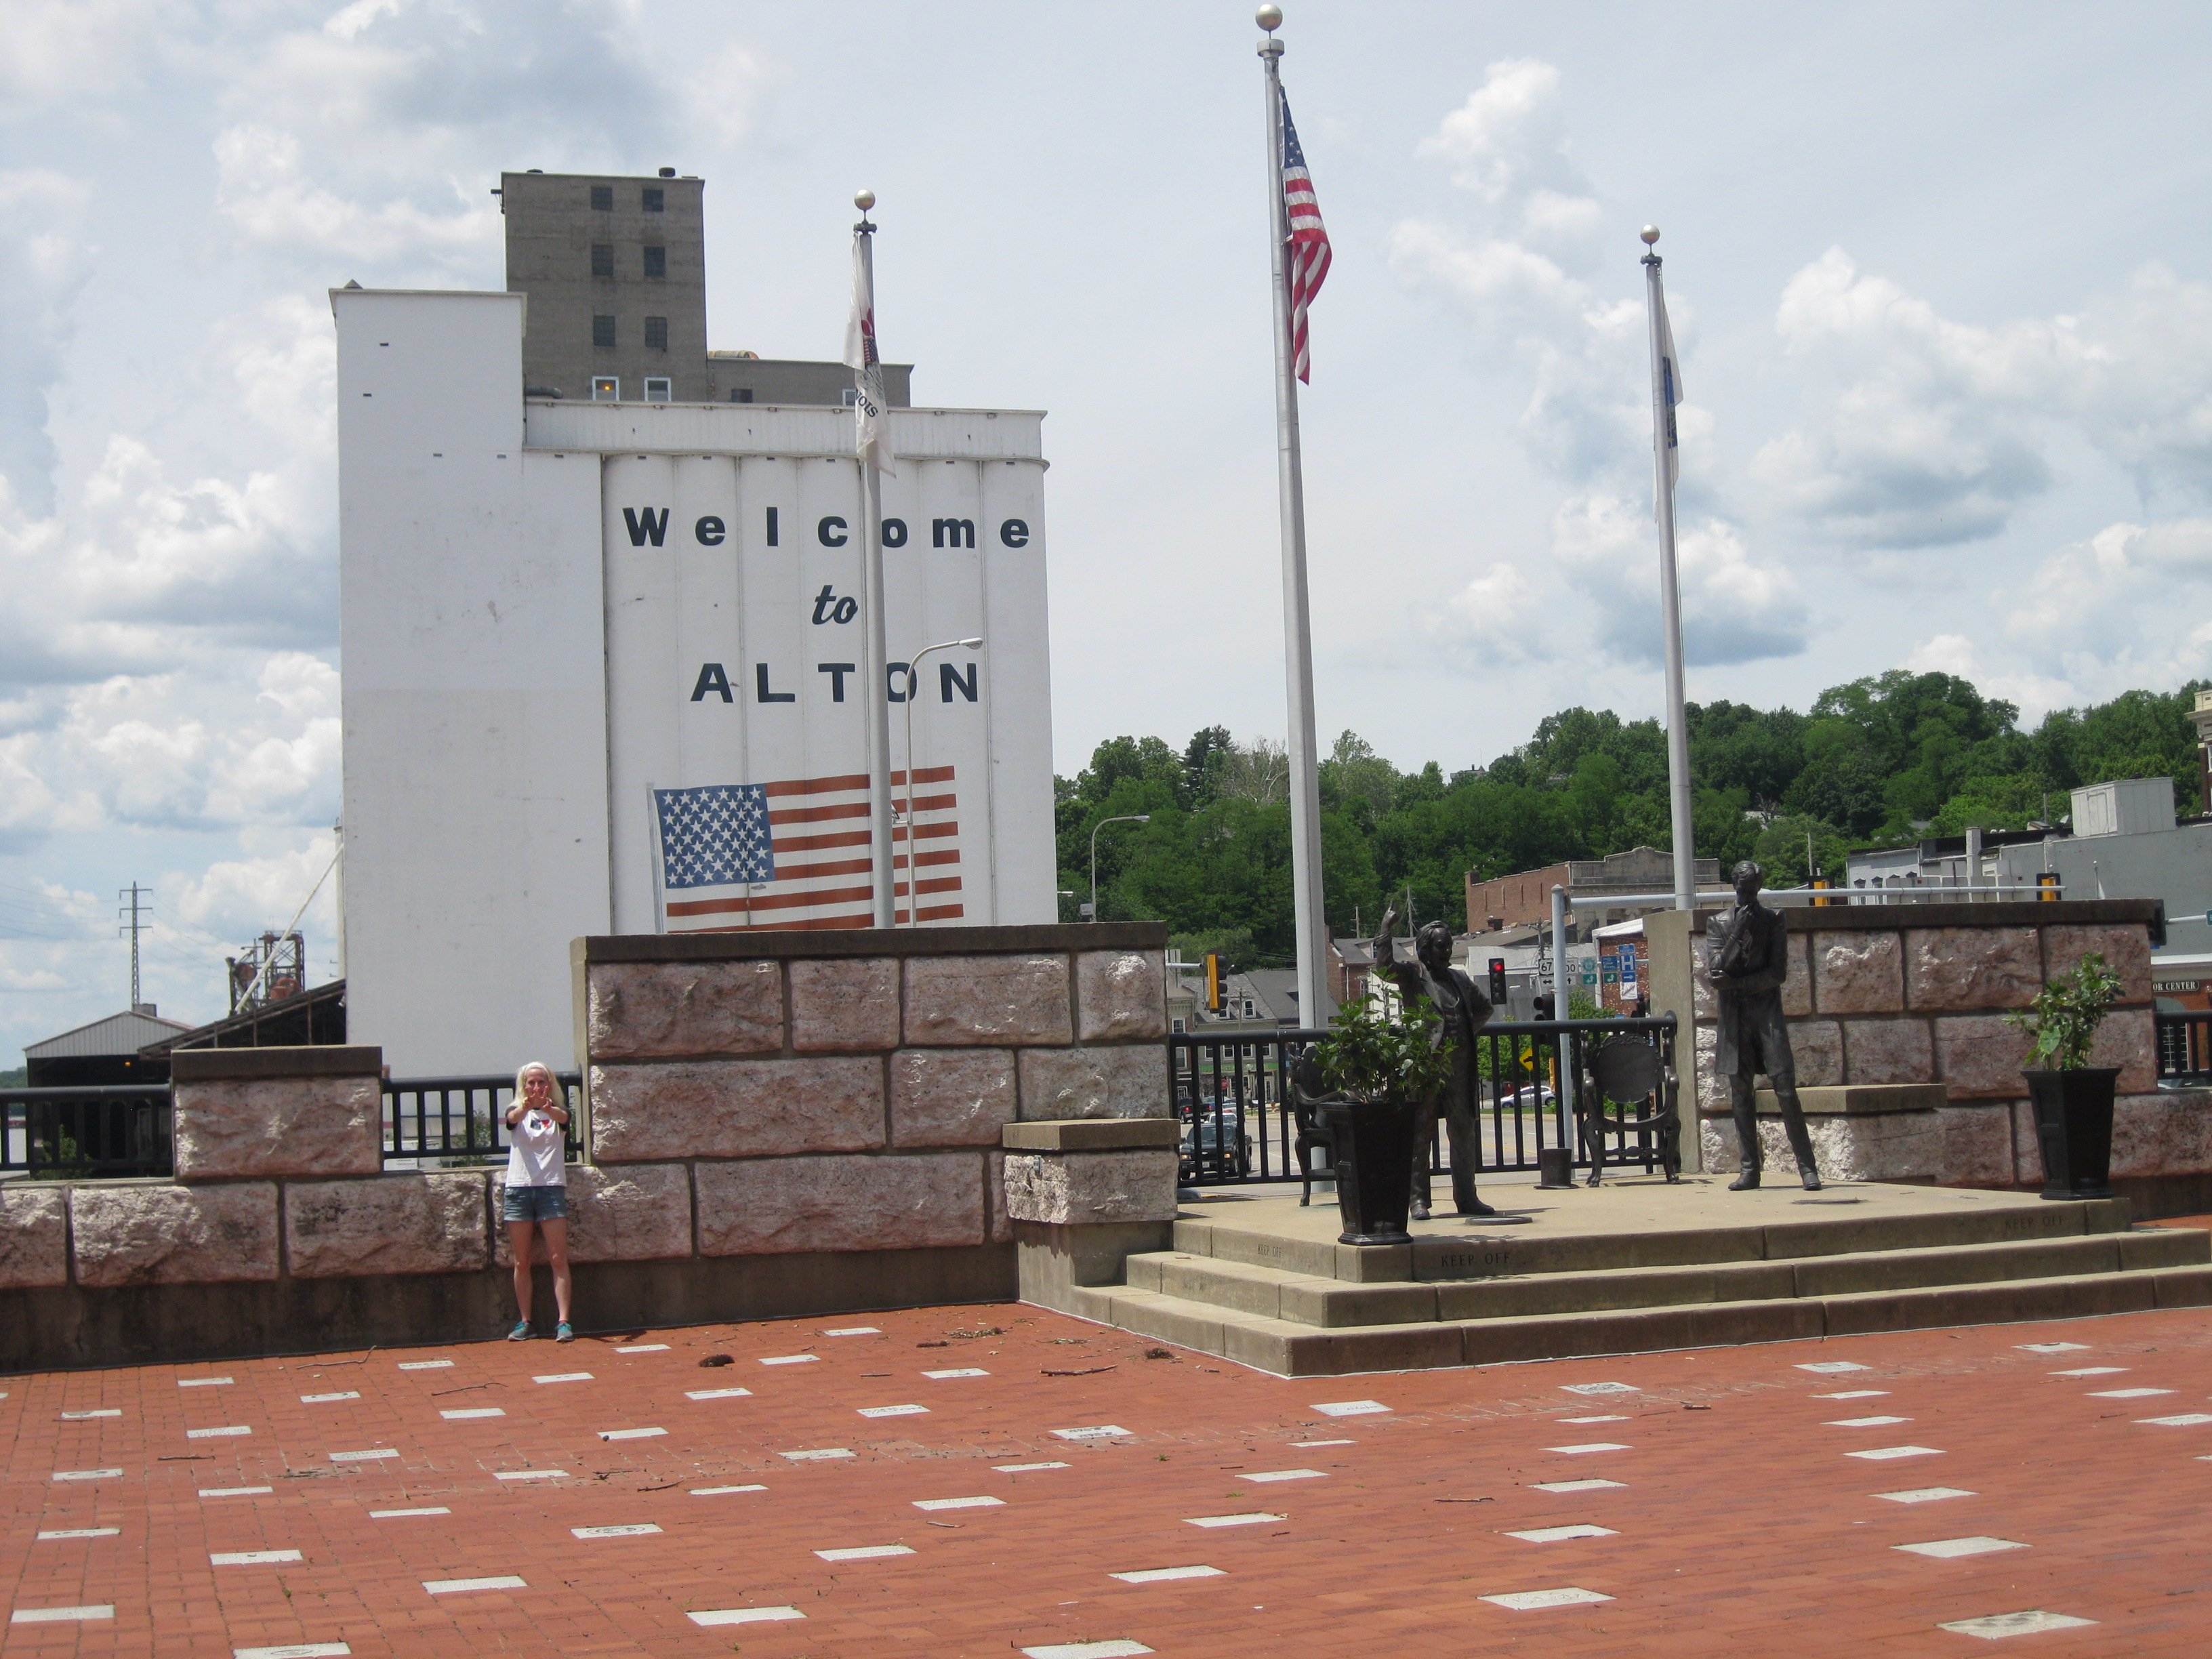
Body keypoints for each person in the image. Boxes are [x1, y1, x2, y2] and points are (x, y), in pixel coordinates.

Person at [1706, 861, 1822, 1191]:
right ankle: (1749, 1169)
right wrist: (1738, 933)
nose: (1748, 894)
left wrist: (1737, 984)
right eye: (1744, 889)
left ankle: (1807, 1168)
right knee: (1740, 1092)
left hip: (1767, 1014)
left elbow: (1777, 973)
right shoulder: (1718, 923)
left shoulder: (1774, 920)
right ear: (1735, 887)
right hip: (1734, 1018)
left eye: (1753, 888)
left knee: (1785, 1087)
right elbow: (1717, 969)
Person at [1373, 910, 1497, 1221]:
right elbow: (1384, 970)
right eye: (1441, 946)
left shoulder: (1459, 979)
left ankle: (1467, 1197)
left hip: (1460, 1069)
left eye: (1449, 946)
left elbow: (1485, 1008)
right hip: (1426, 1067)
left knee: (1464, 1133)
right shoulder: (1414, 974)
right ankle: (1418, 1199)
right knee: (1421, 1133)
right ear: (1425, 949)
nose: (1447, 952)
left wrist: (1464, 1033)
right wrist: (1386, 930)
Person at [503, 1061, 574, 1340]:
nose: (536, 1087)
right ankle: (525, 1322)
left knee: (558, 1257)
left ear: (549, 1084)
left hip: (550, 1188)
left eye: (541, 1082)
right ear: (523, 1085)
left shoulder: (558, 1113)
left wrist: (546, 1106)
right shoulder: (516, 1111)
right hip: (519, 1189)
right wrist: (526, 1106)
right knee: (522, 1261)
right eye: (531, 1082)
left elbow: (563, 1118)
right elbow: (512, 1119)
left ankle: (564, 1321)